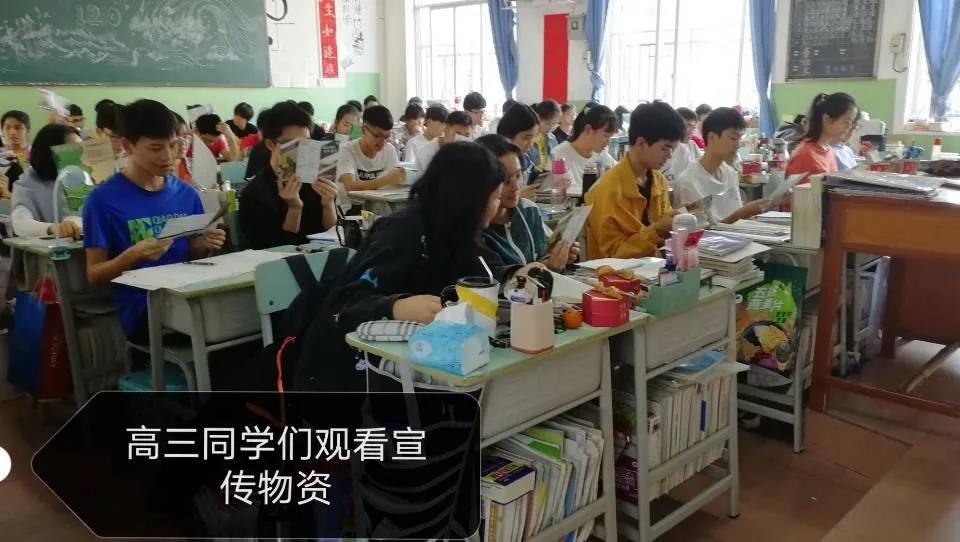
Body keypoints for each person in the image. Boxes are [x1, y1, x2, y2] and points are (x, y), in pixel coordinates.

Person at [293, 141, 542, 391]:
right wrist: (395, 307)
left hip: (417, 364)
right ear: (471, 200)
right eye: (496, 197)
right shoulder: (400, 233)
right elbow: (345, 303)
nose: (498, 206)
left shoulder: (458, 229)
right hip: (348, 376)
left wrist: (514, 274)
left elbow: (485, 269)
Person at [82, 99, 226, 338]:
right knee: (219, 330)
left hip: (188, 295)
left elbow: (192, 253)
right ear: (128, 146)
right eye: (155, 148)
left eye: (173, 145)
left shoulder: (186, 193)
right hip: (144, 310)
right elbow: (94, 275)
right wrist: (132, 255)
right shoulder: (102, 200)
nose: (168, 156)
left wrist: (204, 243)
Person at [584, 101, 684, 259]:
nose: (669, 156)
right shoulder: (607, 190)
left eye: (672, 149)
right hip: (614, 272)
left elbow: (664, 231)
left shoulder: (658, 180)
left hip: (655, 266)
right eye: (665, 148)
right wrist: (656, 231)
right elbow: (613, 254)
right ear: (641, 143)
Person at [239, 102, 338, 249]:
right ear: (271, 144)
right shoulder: (254, 194)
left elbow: (332, 233)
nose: (302, 151)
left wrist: (328, 204)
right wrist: (294, 209)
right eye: (293, 144)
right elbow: (276, 249)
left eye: (307, 143)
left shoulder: (314, 180)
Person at [477, 134, 578, 272]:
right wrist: (545, 270)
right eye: (506, 181)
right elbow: (497, 279)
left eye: (518, 175)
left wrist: (557, 256)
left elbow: (543, 254)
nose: (516, 187)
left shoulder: (528, 210)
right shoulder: (477, 230)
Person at [674, 107, 773, 225]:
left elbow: (737, 217)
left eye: (739, 139)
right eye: (733, 138)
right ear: (712, 138)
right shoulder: (689, 182)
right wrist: (743, 213)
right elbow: (702, 232)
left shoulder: (729, 172)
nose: (737, 145)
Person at [11, 123, 84, 238]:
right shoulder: (27, 183)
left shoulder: (81, 179)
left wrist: (75, 222)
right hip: (45, 248)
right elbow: (20, 223)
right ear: (50, 153)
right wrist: (52, 228)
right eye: (73, 150)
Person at [786, 93, 859, 180]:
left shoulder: (828, 150)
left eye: (852, 122)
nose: (850, 127)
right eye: (846, 121)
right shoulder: (805, 156)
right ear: (826, 119)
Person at [336, 105, 405, 191]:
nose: (382, 142)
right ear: (363, 130)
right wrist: (386, 180)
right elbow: (350, 186)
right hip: (352, 200)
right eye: (377, 136)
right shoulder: (346, 149)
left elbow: (395, 183)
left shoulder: (389, 150)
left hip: (379, 199)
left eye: (386, 137)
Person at [550, 105, 619, 187]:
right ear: (588, 130)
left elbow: (619, 171)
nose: (608, 142)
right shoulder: (559, 155)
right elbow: (565, 190)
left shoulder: (601, 154)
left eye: (610, 137)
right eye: (605, 136)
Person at [407, 111, 472, 184]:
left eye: (466, 136)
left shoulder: (472, 154)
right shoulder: (427, 154)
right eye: (458, 133)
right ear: (446, 128)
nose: (461, 139)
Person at [496, 103, 541, 185]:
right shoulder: (497, 163)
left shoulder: (524, 156)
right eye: (526, 138)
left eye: (533, 137)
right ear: (509, 134)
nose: (531, 144)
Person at [660, 107, 702, 183]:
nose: (691, 131)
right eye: (688, 125)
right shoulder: (661, 146)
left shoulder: (692, 145)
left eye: (693, 127)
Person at [1, 110, 31, 192]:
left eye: (18, 128)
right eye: (7, 127)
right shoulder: (1, 156)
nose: (12, 132)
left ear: (28, 131)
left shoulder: (37, 154)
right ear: (2, 131)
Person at [528, 100, 561, 174]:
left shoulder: (552, 138)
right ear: (537, 118)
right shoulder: (528, 139)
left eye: (554, 124)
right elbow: (525, 168)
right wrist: (535, 169)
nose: (550, 127)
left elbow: (557, 159)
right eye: (547, 124)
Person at [172, 113, 193, 185]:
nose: (183, 141)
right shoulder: (157, 170)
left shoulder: (186, 164)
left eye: (185, 136)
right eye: (176, 136)